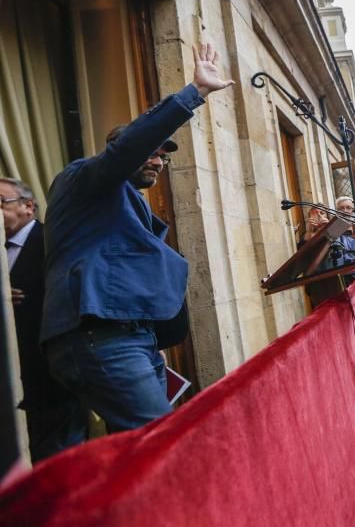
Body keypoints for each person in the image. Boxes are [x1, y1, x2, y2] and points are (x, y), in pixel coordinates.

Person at [41, 43, 233, 440]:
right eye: (150, 150)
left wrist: (148, 339)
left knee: (132, 458)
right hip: (100, 339)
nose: (157, 160)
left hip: (129, 339)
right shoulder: (83, 179)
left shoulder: (127, 205)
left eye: (164, 156)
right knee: (163, 451)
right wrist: (192, 93)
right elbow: (131, 147)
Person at [1, 178, 87, 461]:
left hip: (50, 378)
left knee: (60, 462)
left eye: (1, 202)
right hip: (12, 381)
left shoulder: (52, 243)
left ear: (28, 207)